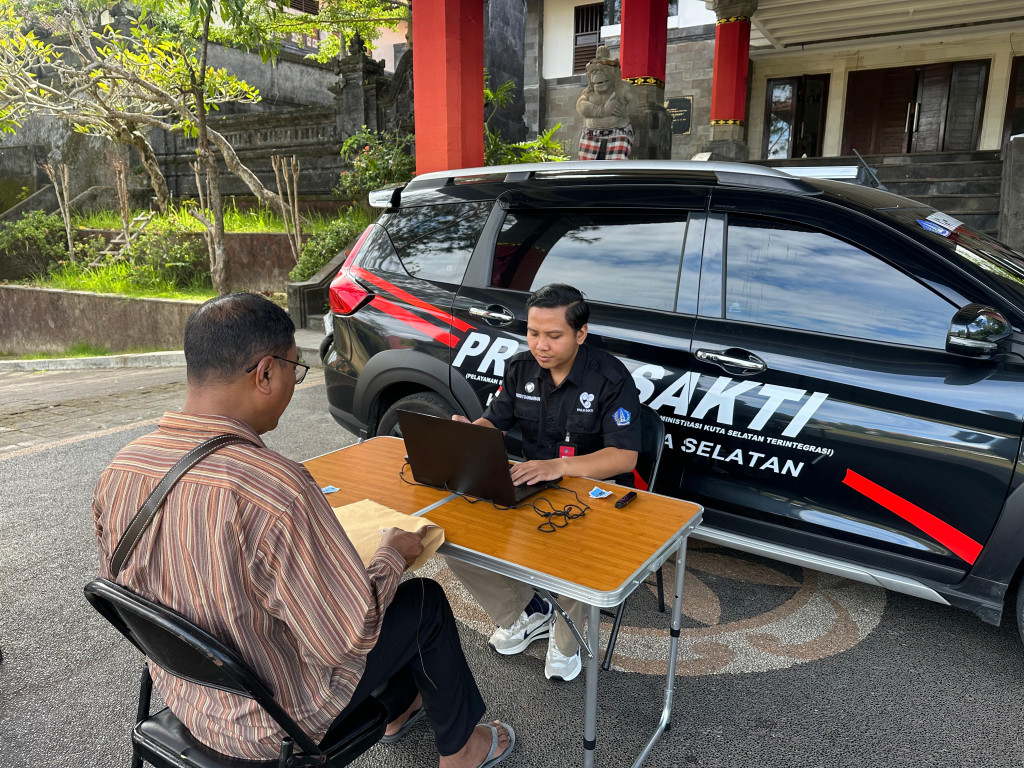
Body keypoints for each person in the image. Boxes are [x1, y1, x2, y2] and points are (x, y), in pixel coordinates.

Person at [92, 293, 513, 768]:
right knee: (421, 601)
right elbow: (348, 638)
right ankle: (462, 752)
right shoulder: (275, 488)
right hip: (273, 721)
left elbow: (127, 585)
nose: (295, 381)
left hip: (188, 696)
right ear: (266, 373)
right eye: (296, 368)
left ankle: (398, 710)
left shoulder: (121, 469)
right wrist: (393, 554)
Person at [449, 284, 640, 682]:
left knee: (576, 557)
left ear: (580, 333)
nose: (540, 345)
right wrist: (469, 434)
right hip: (534, 481)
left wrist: (558, 467)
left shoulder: (610, 377)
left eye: (554, 335)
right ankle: (527, 612)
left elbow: (624, 457)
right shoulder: (520, 368)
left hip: (597, 491)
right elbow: (494, 422)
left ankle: (566, 640)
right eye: (533, 333)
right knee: (451, 535)